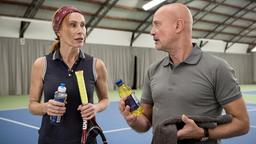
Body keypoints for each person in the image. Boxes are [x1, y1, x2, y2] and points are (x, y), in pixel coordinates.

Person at [119, 3, 249, 144]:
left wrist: (204, 132)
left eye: (157, 25)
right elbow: (144, 123)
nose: (152, 31)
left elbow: (242, 123)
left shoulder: (218, 68)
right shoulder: (153, 70)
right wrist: (133, 120)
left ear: (178, 26)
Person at [28, 6, 109, 144]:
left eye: (83, 25)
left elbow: (105, 99)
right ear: (58, 31)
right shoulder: (41, 64)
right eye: (73, 25)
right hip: (50, 139)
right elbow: (32, 105)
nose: (80, 31)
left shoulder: (97, 65)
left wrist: (95, 107)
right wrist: (46, 107)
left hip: (86, 140)